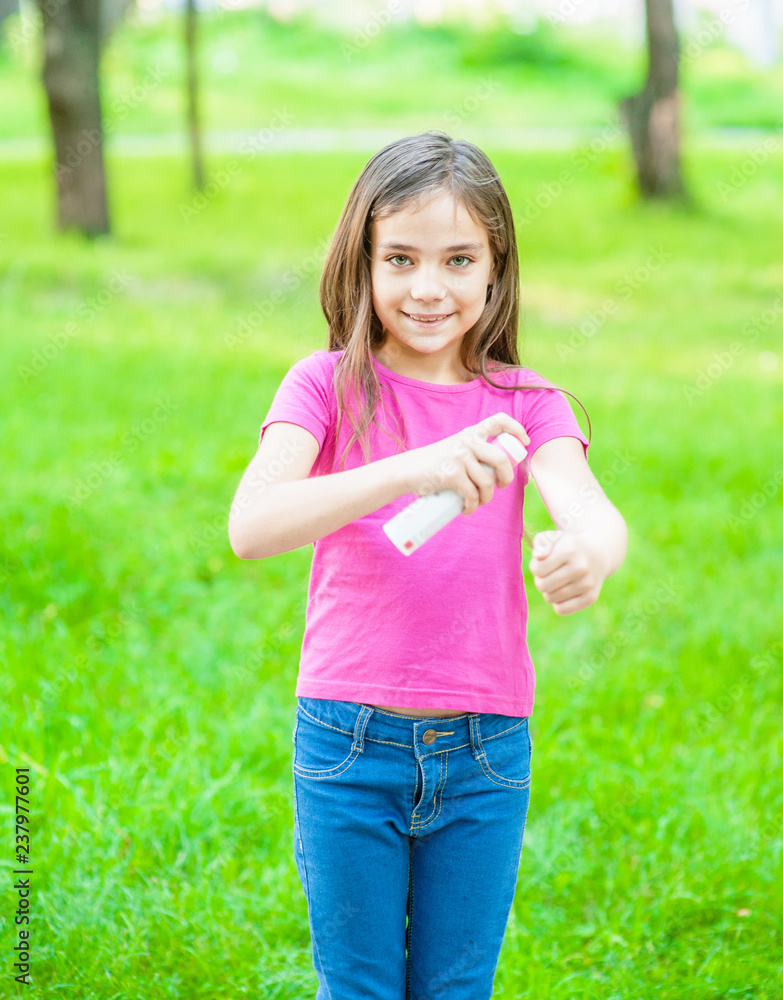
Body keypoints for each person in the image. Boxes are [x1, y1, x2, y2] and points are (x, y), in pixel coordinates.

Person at [228, 131, 627, 1000]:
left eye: (457, 259)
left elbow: (590, 508)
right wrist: (413, 469)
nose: (427, 288)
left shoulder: (526, 403)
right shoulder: (325, 386)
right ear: (362, 263)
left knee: (456, 988)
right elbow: (251, 526)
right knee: (360, 987)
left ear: (495, 268)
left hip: (484, 750)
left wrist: (587, 553)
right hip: (346, 743)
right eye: (399, 258)